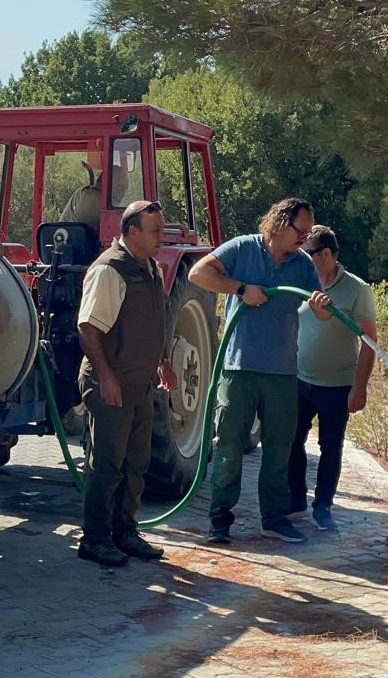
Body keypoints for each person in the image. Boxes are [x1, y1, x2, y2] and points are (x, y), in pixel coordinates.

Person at [188, 197, 332, 544]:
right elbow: (198, 274)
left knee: (279, 449)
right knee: (229, 447)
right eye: (301, 230)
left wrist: (321, 306)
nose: (306, 238)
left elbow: (325, 312)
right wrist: (240, 288)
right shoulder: (242, 249)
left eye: (309, 232)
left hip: (282, 373)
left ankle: (274, 519)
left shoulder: (302, 265)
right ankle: (220, 520)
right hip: (238, 369)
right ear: (281, 224)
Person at [75, 200, 179, 566]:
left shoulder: (147, 267)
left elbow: (149, 324)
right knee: (107, 465)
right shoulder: (109, 271)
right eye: (154, 231)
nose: (160, 238)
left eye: (161, 230)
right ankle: (95, 539)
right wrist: (106, 378)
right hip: (112, 385)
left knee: (137, 462)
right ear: (131, 231)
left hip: (140, 384)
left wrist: (161, 362)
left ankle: (125, 532)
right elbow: (88, 327)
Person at [289, 226, 377, 532]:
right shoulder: (301, 280)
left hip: (337, 385)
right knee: (291, 441)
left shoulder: (357, 289)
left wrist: (360, 387)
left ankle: (323, 506)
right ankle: (296, 499)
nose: (301, 258)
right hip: (299, 380)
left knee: (331, 446)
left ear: (325, 254)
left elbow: (370, 341)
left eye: (307, 253)